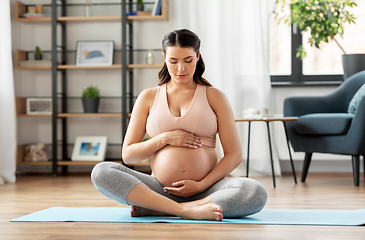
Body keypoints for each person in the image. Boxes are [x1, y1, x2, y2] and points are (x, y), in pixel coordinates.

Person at [91, 29, 267, 221]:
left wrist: (201, 185)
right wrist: (164, 139)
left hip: (208, 190)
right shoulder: (148, 97)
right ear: (164, 57)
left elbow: (234, 155)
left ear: (198, 57)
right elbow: (129, 155)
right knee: (102, 171)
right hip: (158, 189)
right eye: (173, 61)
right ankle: (184, 210)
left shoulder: (215, 96)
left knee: (255, 191)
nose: (181, 69)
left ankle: (165, 208)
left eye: (188, 60)